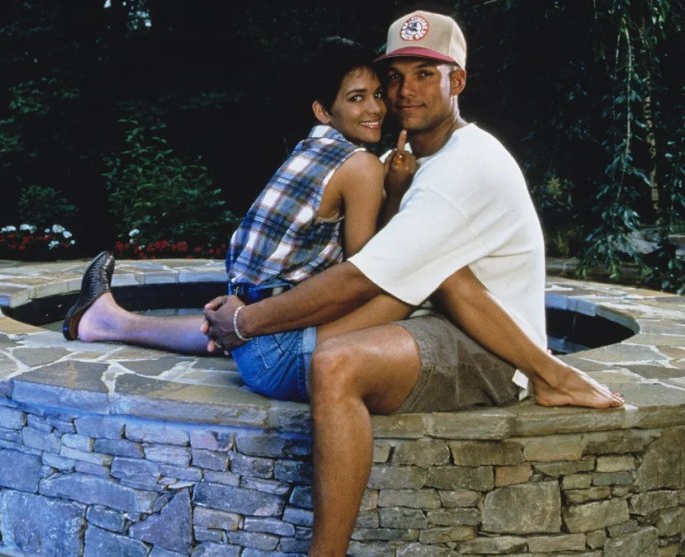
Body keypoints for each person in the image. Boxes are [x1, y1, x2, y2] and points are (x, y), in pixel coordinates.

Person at [200, 10, 624, 555]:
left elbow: (359, 277)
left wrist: (245, 320)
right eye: (395, 76)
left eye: (426, 74)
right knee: (291, 332)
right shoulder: (412, 160)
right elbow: (389, 260)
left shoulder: (465, 166)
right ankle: (116, 320)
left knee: (333, 363)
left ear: (458, 81)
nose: (404, 91)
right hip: (438, 313)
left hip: (491, 349)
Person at [63, 37, 417, 401]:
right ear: (324, 111)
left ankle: (104, 320)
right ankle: (105, 319)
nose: (375, 108)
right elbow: (367, 272)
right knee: (414, 282)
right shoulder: (362, 166)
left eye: (376, 94)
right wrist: (398, 191)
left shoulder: (310, 149)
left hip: (247, 329)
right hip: (275, 353)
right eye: (356, 98)